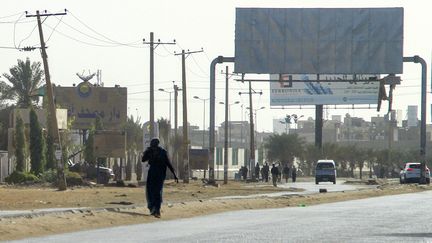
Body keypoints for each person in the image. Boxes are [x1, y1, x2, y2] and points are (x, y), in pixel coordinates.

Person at [142, 138, 178, 218]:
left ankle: (157, 210)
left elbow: (168, 163)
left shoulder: (162, 152)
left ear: (156, 144)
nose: (151, 144)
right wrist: (147, 152)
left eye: (152, 143)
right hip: (152, 173)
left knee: (157, 191)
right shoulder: (150, 151)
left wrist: (174, 174)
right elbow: (143, 160)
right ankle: (152, 208)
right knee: (151, 191)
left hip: (159, 174)